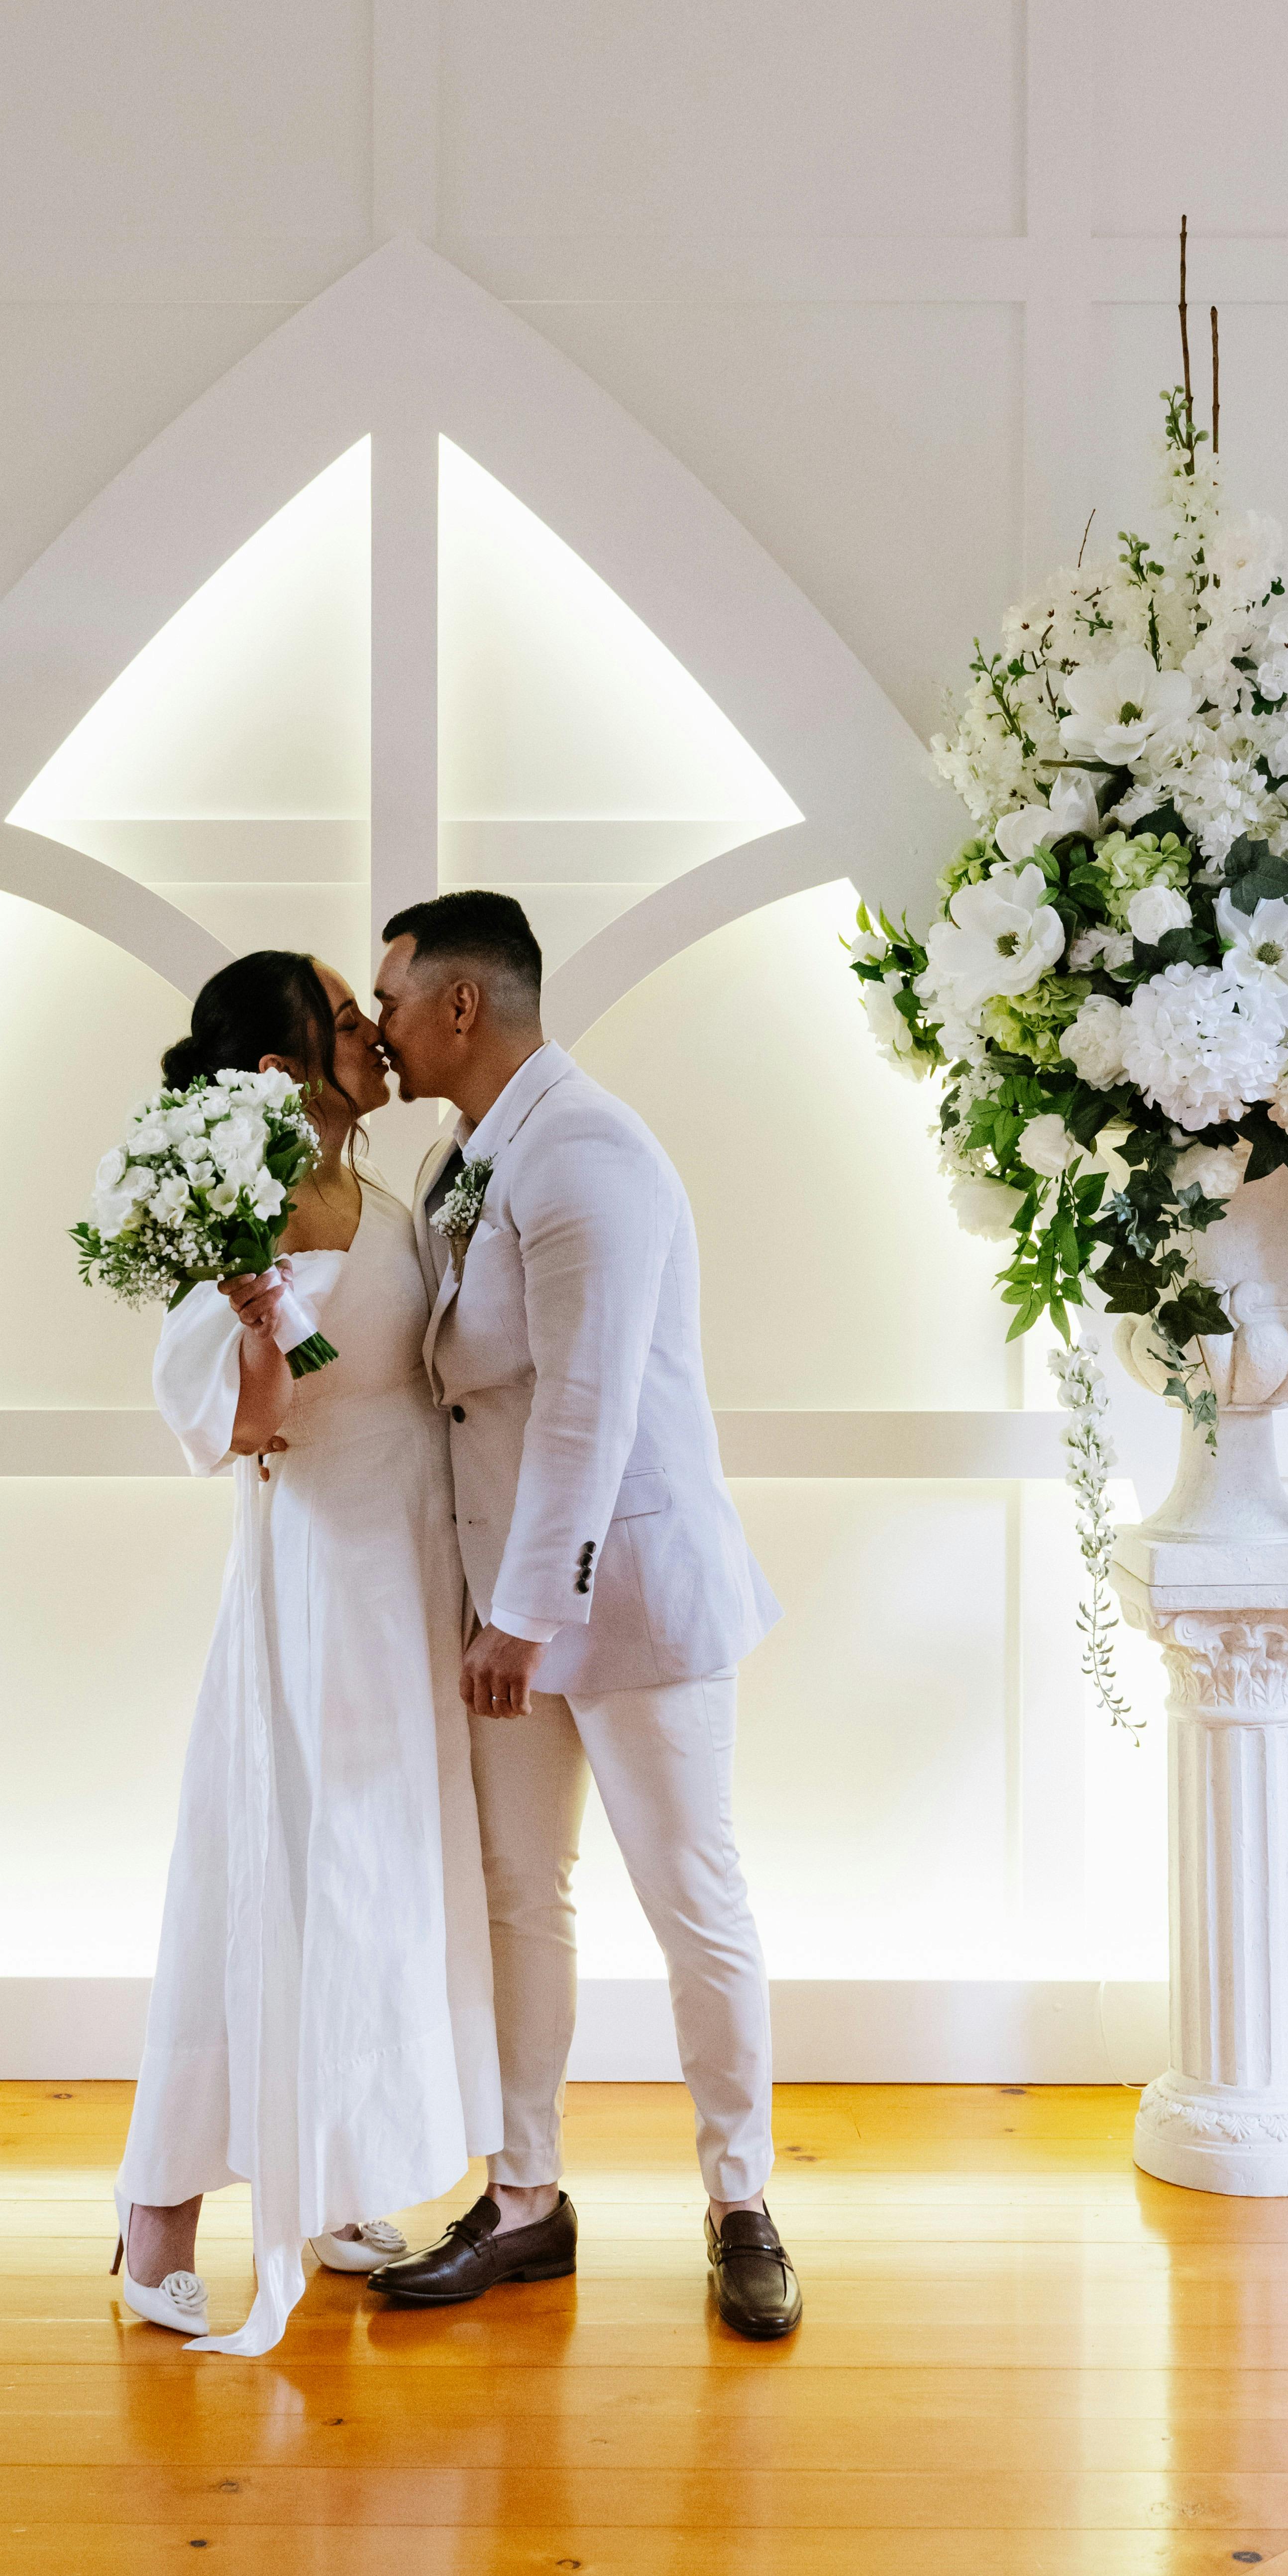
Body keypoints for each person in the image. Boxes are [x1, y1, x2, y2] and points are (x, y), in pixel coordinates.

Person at [368, 892, 801, 2340]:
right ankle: (524, 2200)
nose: (381, 1025)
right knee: (519, 1895)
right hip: (507, 1598)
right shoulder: (457, 1155)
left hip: (630, 1597)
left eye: (392, 998)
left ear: (463, 1005)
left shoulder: (590, 1153)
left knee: (694, 1902)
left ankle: (742, 2202)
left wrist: (522, 1616)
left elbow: (589, 1410)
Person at [113, 949, 501, 2356]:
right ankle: (157, 2215)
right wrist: (258, 1323)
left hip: (410, 1571)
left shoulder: (390, 1197)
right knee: (268, 1869)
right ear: (285, 1070)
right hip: (317, 1585)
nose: (376, 1035)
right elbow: (245, 1428)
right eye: (348, 1021)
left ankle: (333, 2170)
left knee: (379, 1881)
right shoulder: (243, 1211)